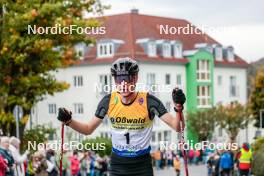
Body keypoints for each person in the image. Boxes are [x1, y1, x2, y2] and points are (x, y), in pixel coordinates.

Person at [57, 57, 186, 176]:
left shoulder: (149, 101)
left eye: (127, 78)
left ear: (135, 78)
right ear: (114, 80)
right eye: (119, 79)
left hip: (142, 165)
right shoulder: (108, 101)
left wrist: (178, 108)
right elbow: (88, 129)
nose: (123, 83)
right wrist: (69, 121)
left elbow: (178, 127)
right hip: (118, 164)